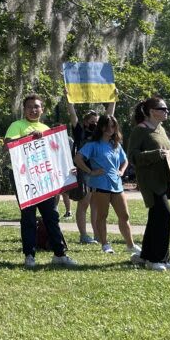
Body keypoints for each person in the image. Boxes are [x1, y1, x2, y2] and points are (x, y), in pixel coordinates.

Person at [6, 94, 78, 269]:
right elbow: (8, 145)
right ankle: (29, 255)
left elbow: (54, 155)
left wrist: (67, 170)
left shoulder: (46, 128)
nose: (33, 110)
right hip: (25, 180)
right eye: (29, 107)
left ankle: (59, 254)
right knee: (28, 217)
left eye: (36, 107)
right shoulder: (17, 125)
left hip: (44, 180)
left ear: (42, 109)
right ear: (24, 110)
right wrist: (31, 138)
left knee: (51, 216)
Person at [75, 115, 140, 254]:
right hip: (100, 185)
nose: (110, 129)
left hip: (116, 185)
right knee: (102, 216)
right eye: (107, 125)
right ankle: (105, 244)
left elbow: (125, 160)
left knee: (124, 216)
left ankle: (130, 245)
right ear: (101, 127)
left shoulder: (115, 145)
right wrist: (90, 171)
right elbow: (78, 158)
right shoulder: (92, 144)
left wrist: (121, 171)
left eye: (113, 126)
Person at [126, 96, 170, 271]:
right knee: (164, 215)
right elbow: (132, 156)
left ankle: (148, 255)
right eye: (163, 109)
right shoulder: (140, 130)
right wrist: (155, 154)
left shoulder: (160, 129)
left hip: (163, 179)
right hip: (150, 181)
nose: (166, 112)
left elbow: (166, 151)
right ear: (152, 111)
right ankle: (155, 259)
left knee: (157, 218)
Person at [66, 102, 113, 245]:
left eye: (97, 122)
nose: (95, 124)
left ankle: (98, 235)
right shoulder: (80, 131)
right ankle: (84, 235)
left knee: (96, 205)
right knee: (84, 203)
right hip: (84, 171)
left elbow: (110, 116)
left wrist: (113, 100)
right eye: (92, 121)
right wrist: (69, 100)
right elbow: (73, 116)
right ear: (86, 122)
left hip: (98, 172)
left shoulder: (100, 134)